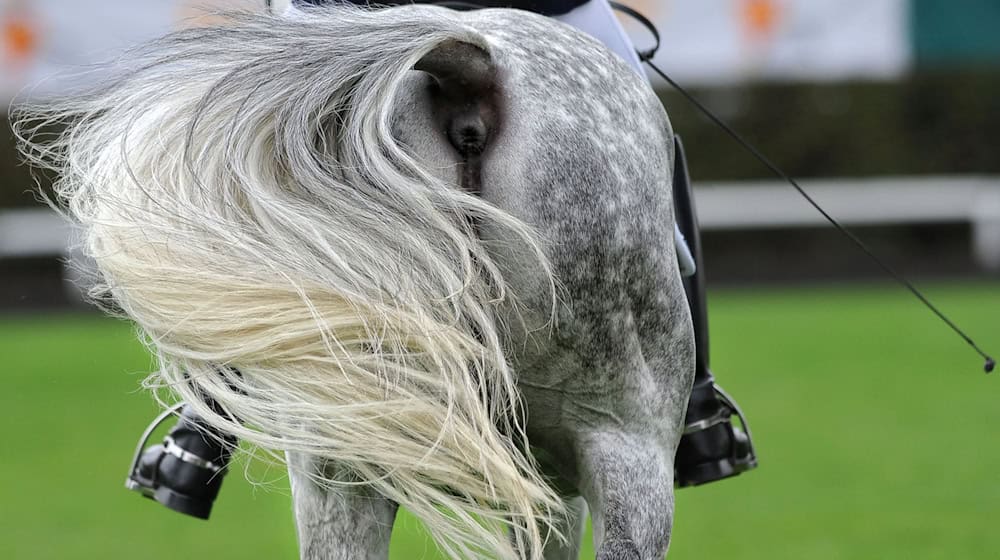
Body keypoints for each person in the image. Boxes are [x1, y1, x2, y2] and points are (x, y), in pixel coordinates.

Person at [127, 0, 756, 519]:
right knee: (644, 138)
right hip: (544, 8)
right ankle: (697, 400)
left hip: (357, 12)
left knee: (255, 170)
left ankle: (204, 429)